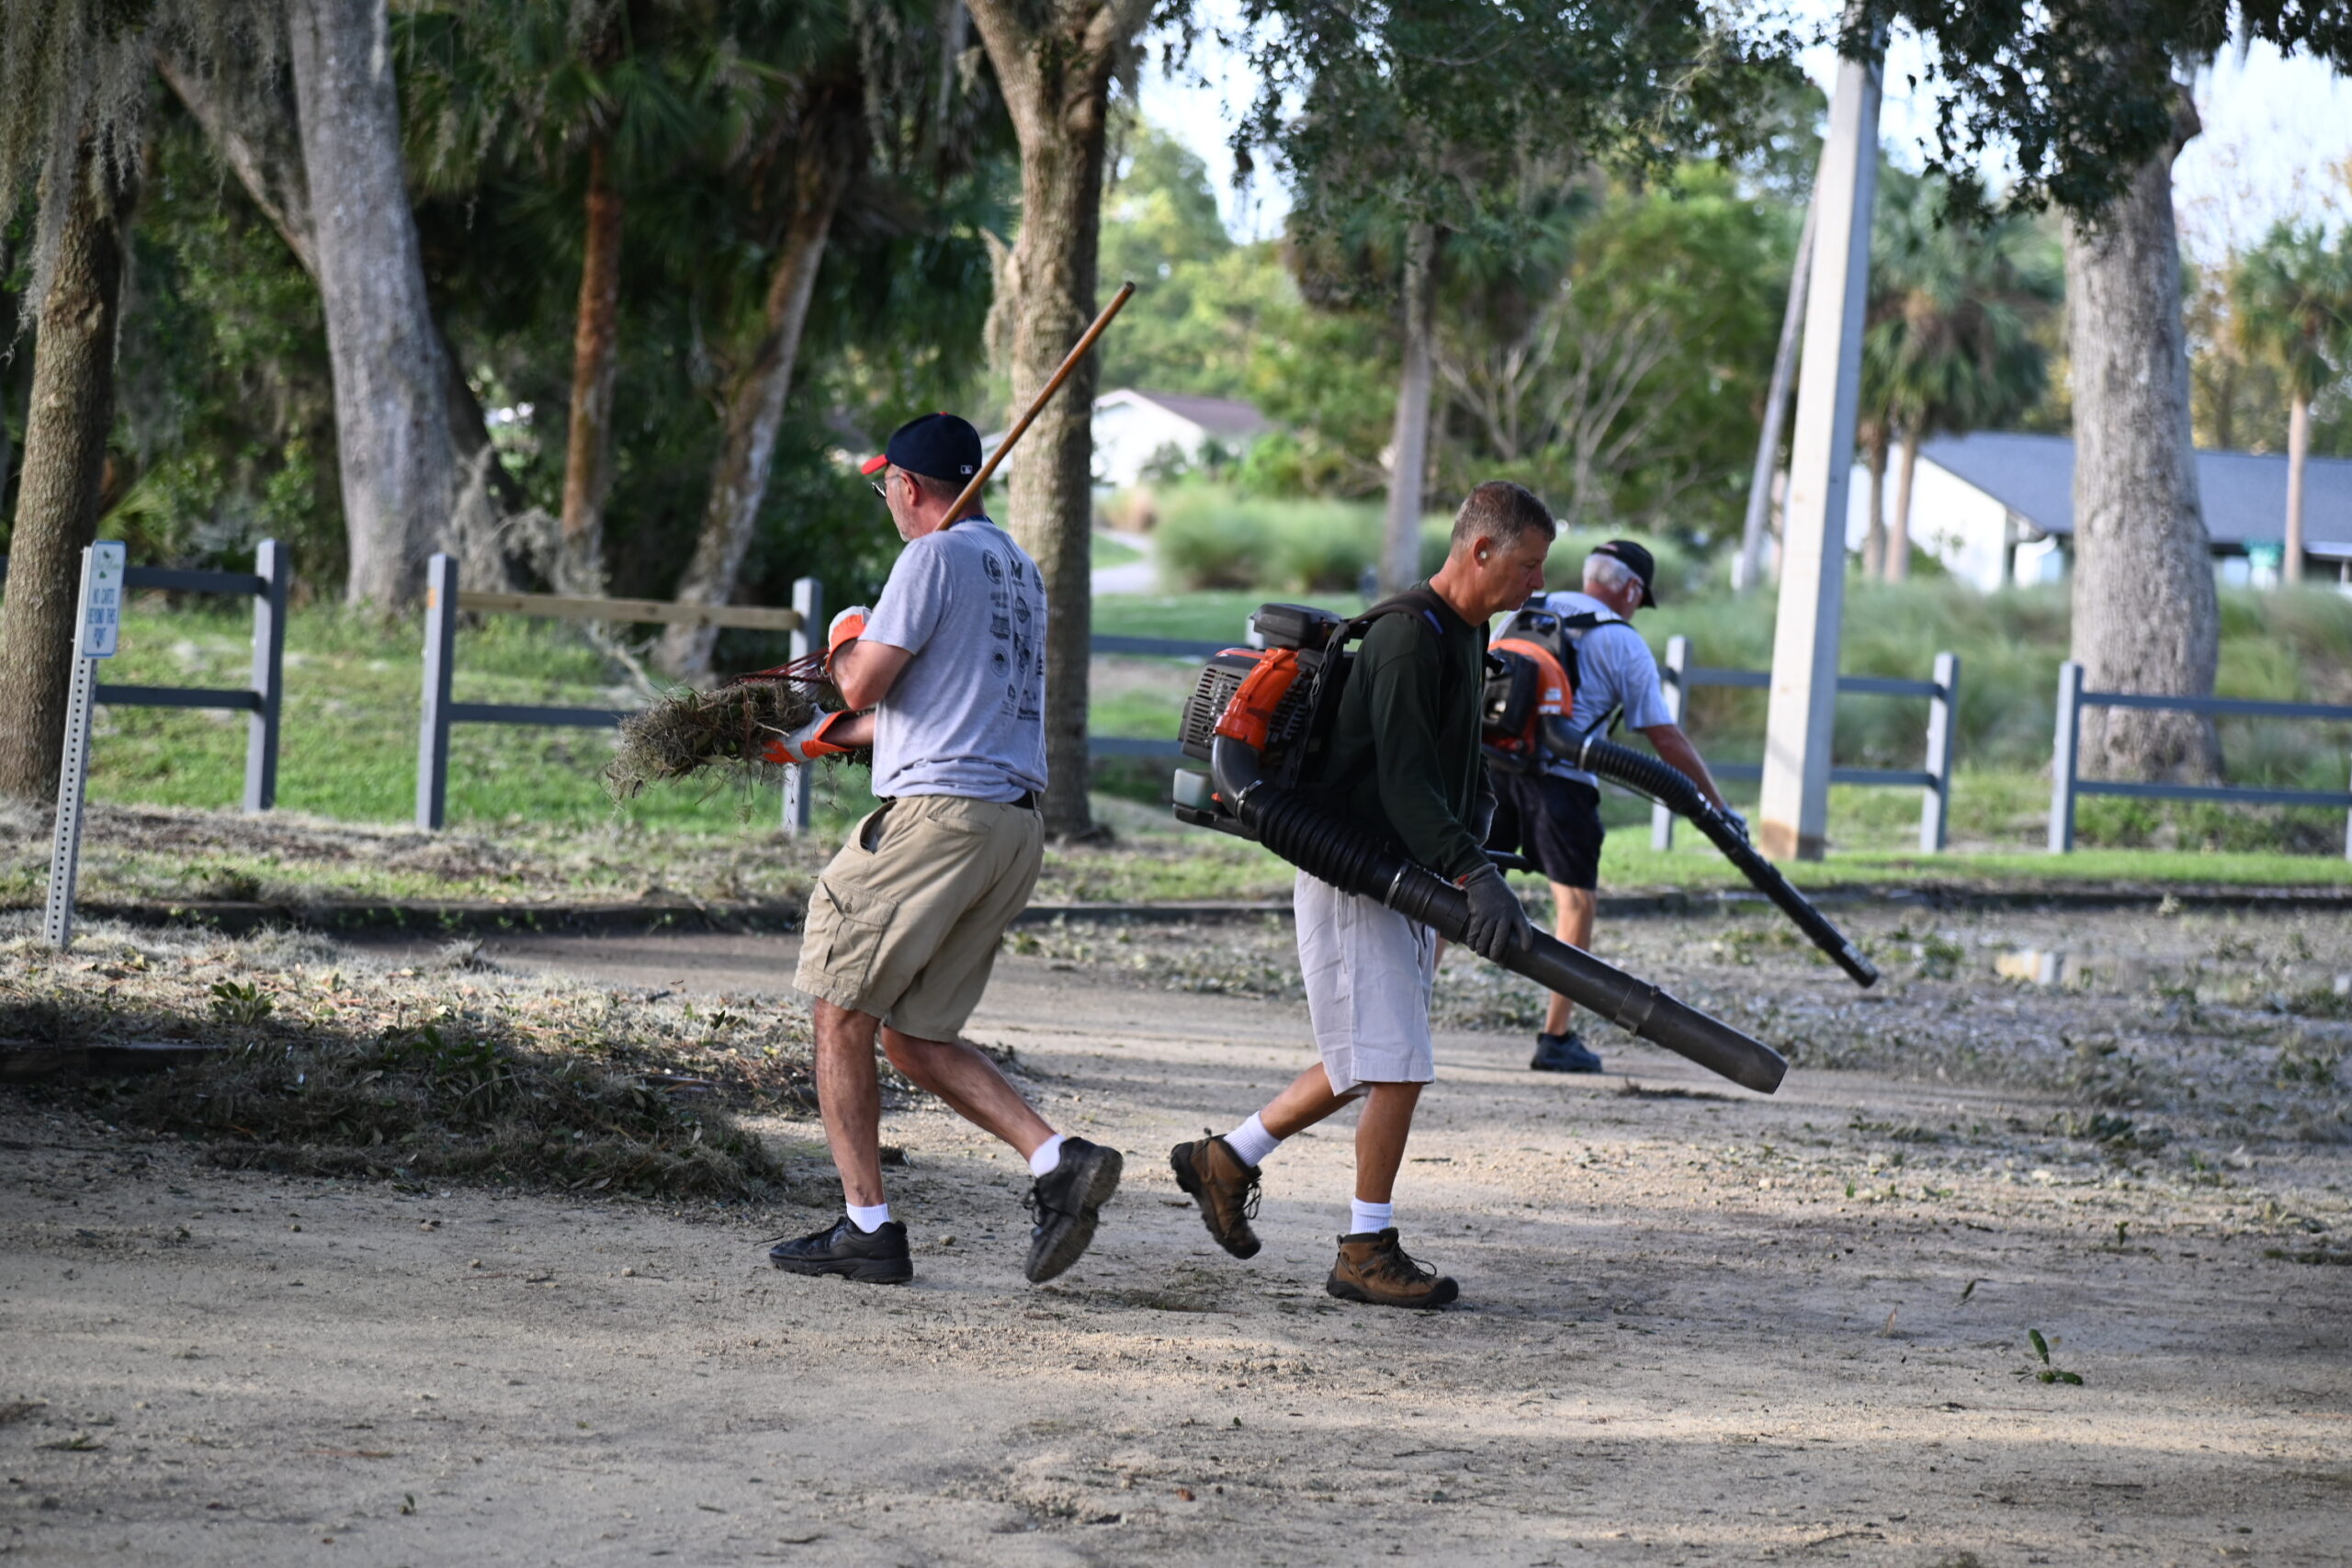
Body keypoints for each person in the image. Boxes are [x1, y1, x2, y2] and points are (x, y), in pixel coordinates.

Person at [1169, 481, 1555, 1309]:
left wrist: (1477, 848)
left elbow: (1453, 770)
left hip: (1405, 879)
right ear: (1479, 550)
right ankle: (1363, 1247)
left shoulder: (1464, 632)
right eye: (1527, 565)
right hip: (1359, 874)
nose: (1536, 584)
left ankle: (1226, 1159)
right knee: (1397, 1063)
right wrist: (1473, 873)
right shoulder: (1408, 639)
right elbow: (1408, 787)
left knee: (1366, 1058)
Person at [763, 412, 1124, 1287]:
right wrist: (829, 736)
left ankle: (867, 1228)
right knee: (914, 1037)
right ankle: (1057, 1161)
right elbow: (927, 705)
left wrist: (848, 643)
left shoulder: (929, 557)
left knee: (839, 1009)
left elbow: (862, 677)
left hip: (939, 820)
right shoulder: (1017, 568)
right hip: (1009, 824)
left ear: (908, 487)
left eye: (888, 483)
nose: (887, 497)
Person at [1485, 539, 1737, 1075]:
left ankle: (1414, 1013)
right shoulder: (1623, 641)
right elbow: (1664, 739)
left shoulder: (1527, 611)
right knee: (1574, 906)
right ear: (1631, 589)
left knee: (1459, 893)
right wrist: (1716, 806)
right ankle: (1555, 1038)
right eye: (1638, 601)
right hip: (1565, 785)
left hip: (1493, 770)